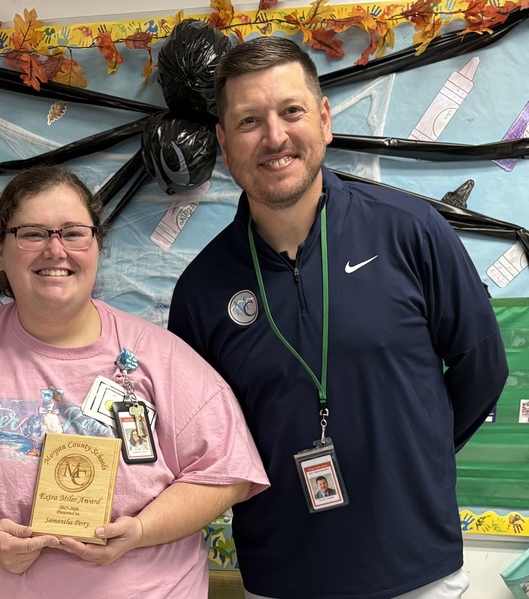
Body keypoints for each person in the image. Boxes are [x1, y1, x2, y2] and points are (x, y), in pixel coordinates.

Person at [168, 36, 508, 599]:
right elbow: (200, 441)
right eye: (250, 120)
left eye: (291, 111)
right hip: (279, 579)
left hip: (419, 572)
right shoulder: (202, 290)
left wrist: (413, 459)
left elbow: (483, 369)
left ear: (324, 119)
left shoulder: (412, 231)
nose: (274, 137)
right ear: (225, 146)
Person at [0, 165, 268, 598]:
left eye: (74, 232)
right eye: (32, 233)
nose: (55, 250)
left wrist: (143, 529)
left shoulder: (163, 358)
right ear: (0, 248)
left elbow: (227, 471)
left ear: (97, 244)